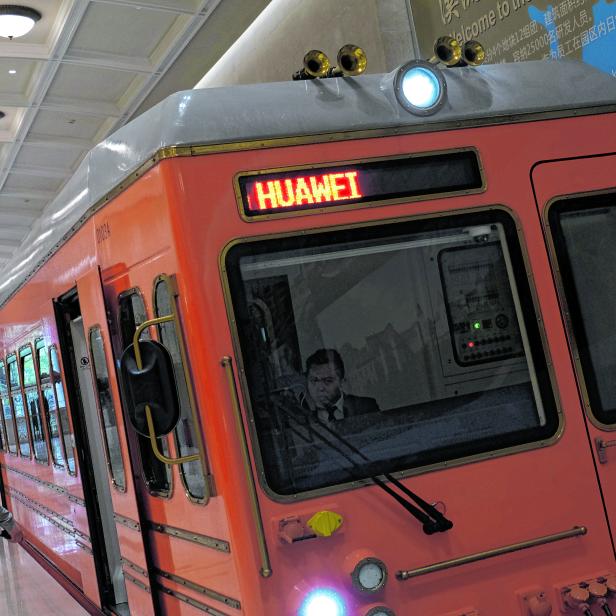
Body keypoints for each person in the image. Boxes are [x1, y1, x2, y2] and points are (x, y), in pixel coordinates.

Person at [302, 348, 379, 422]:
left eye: (328, 381)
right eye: (314, 380)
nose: (320, 388)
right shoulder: (302, 418)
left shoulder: (365, 407)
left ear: (341, 382)